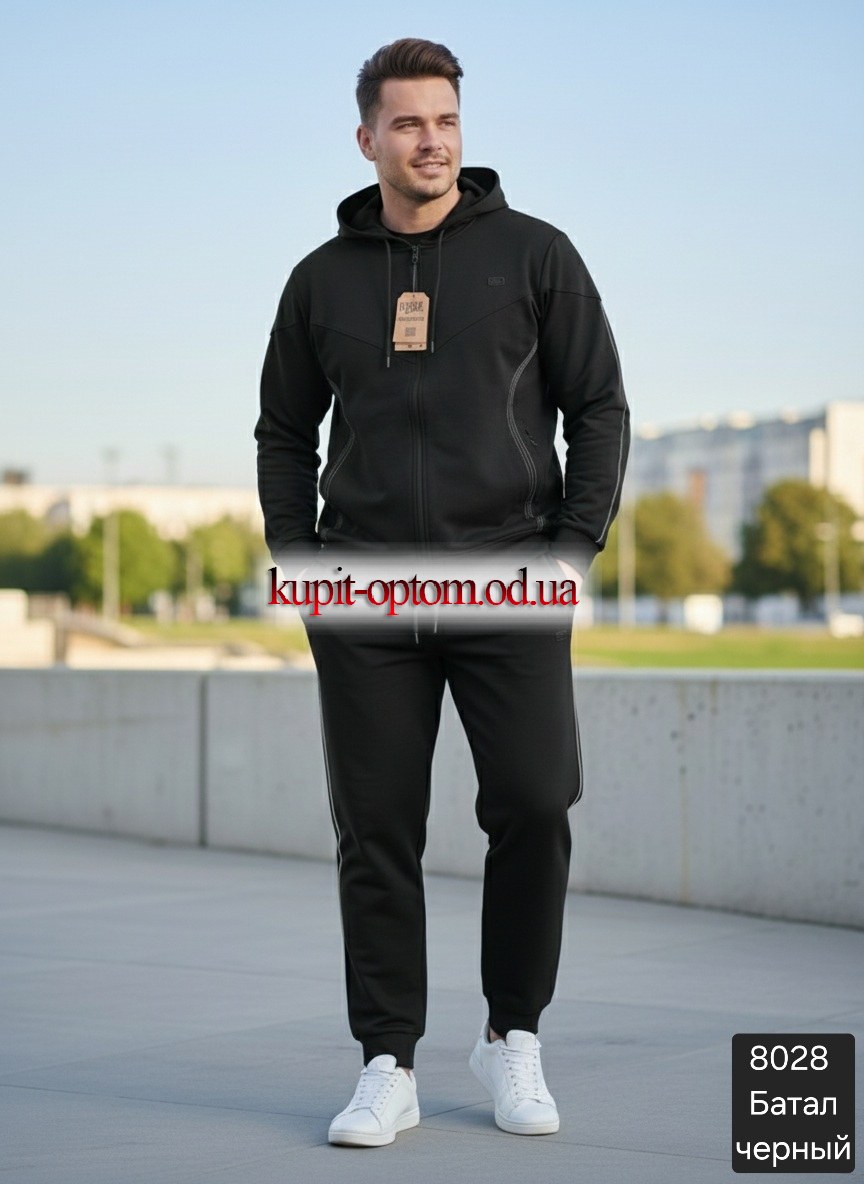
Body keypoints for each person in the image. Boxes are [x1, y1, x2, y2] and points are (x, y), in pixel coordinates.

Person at [255, 37, 629, 1147]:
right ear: (367, 138)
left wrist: (570, 549)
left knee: (535, 803)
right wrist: (302, 561)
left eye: (448, 120)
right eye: (410, 123)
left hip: (507, 576)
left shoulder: (535, 255)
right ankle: (388, 1060)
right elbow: (284, 430)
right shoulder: (319, 280)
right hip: (365, 592)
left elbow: (599, 407)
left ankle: (513, 1034)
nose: (433, 141)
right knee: (375, 829)